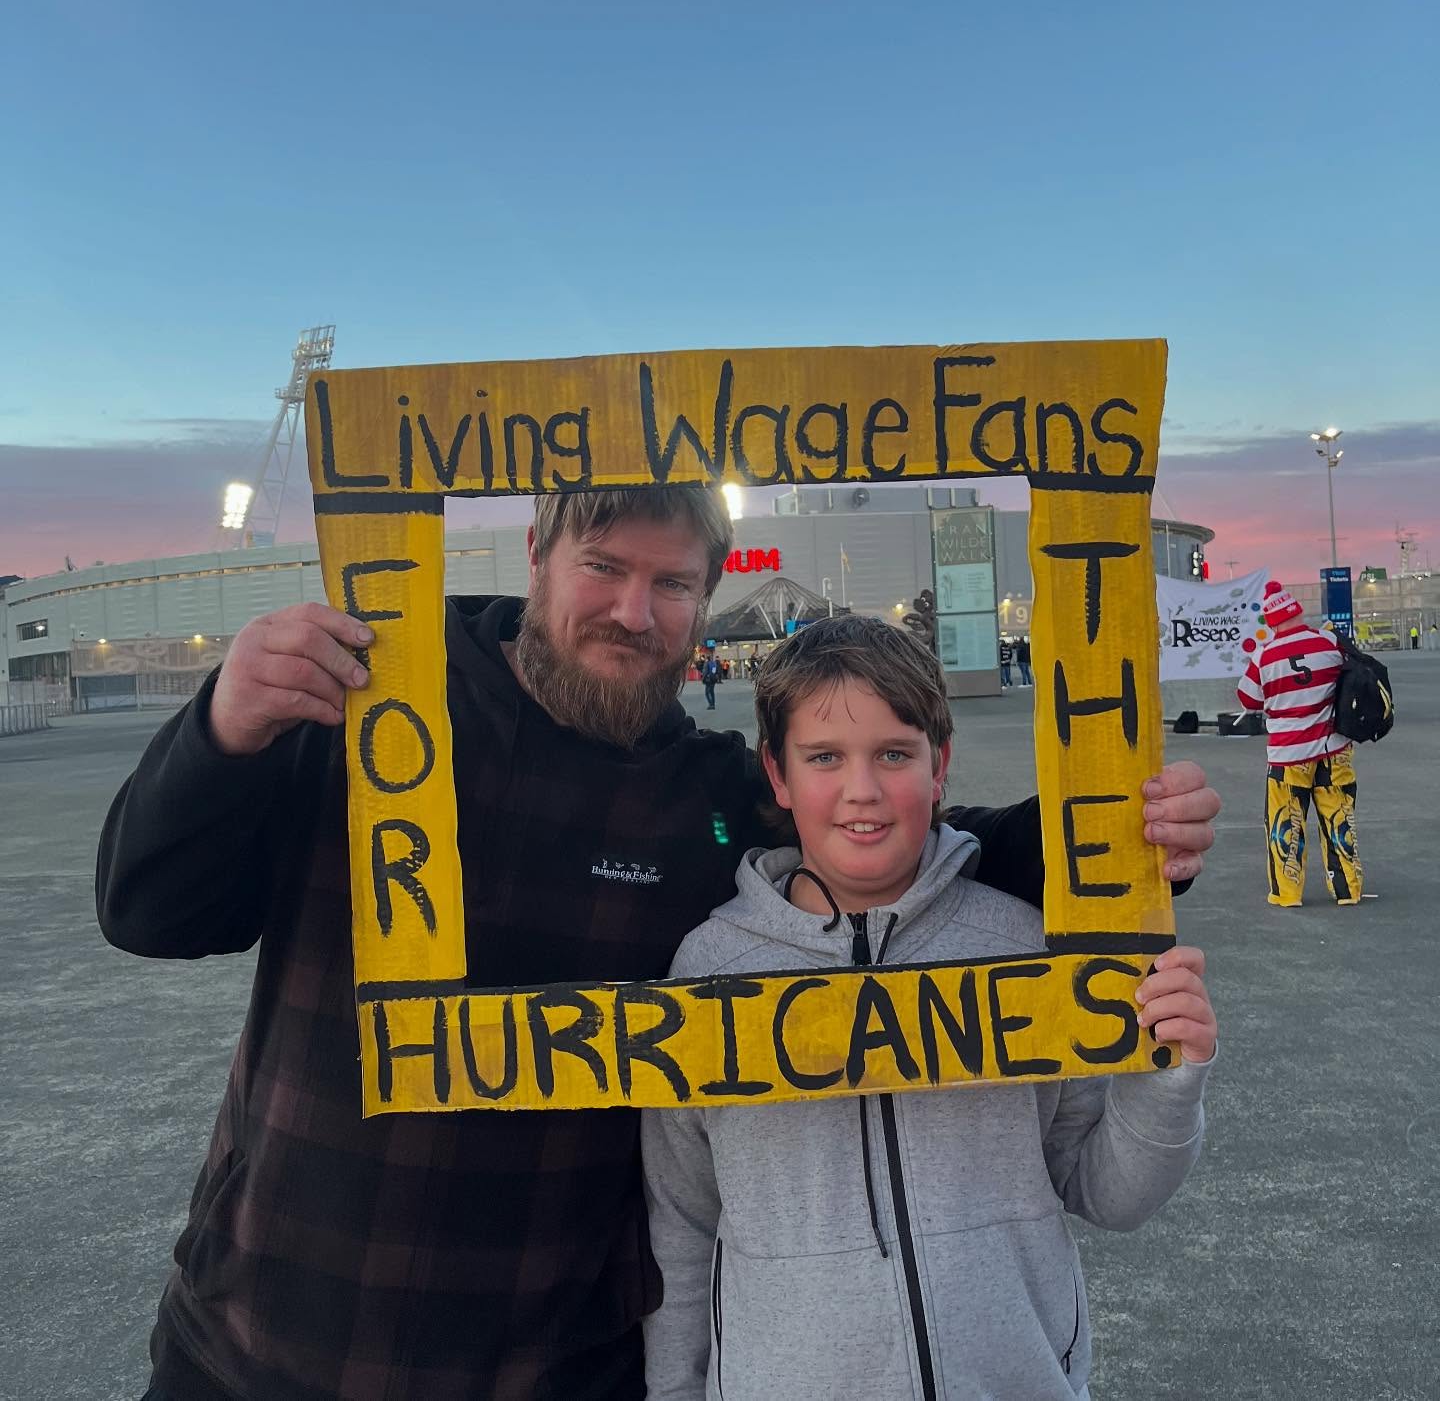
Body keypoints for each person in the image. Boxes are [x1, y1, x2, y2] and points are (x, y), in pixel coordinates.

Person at [97, 488, 1219, 1401]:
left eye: (672, 583)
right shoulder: (379, 711)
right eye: (606, 567)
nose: (635, 612)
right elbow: (150, 913)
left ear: (705, 595)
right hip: (271, 1338)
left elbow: (890, 832)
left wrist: (1117, 839)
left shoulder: (713, 798)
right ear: (538, 552)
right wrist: (222, 729)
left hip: (553, 1360)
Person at [643, 616, 1216, 1400]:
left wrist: (1164, 1077)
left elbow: (1106, 1191)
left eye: (894, 753)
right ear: (777, 776)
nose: (862, 789)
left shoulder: (1019, 943)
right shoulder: (709, 970)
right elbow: (680, 1223)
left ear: (939, 765)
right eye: (824, 757)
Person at [1236, 580, 1362, 907]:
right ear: (1297, 611)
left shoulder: (1264, 655)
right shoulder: (1328, 641)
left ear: (1271, 621)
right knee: (1339, 820)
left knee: (1286, 826)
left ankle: (1287, 893)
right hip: (1334, 750)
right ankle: (1348, 890)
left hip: (1288, 755)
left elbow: (1247, 699)